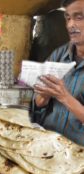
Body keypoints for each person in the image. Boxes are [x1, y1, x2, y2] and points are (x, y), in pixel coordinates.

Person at [30, 0, 84, 145]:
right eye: (68, 18)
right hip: (47, 142)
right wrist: (43, 97)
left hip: (78, 151)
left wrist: (64, 96)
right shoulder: (58, 55)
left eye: (79, 17)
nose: (71, 24)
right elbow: (38, 105)